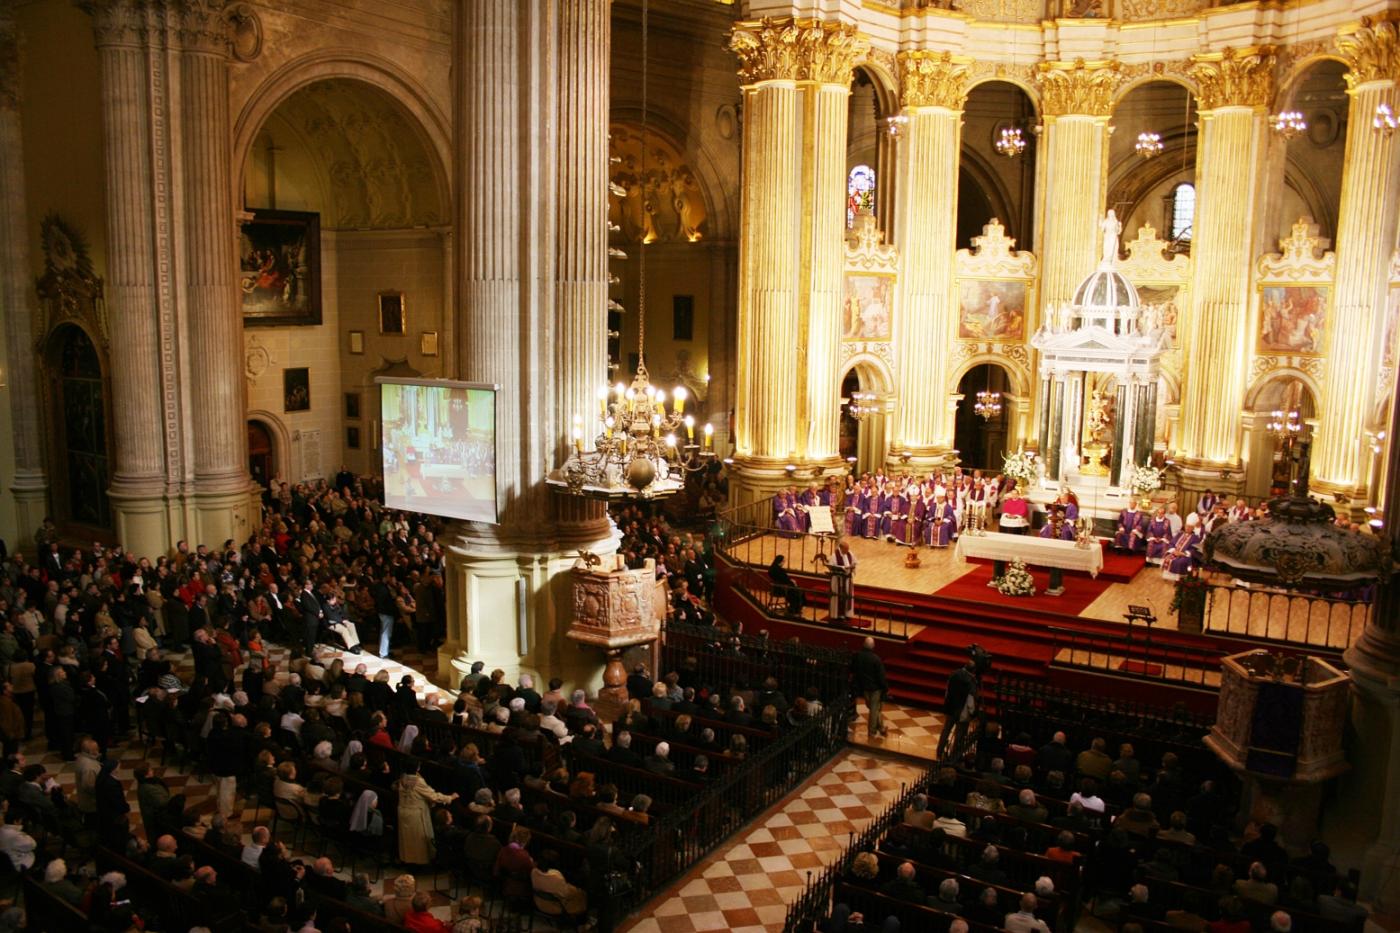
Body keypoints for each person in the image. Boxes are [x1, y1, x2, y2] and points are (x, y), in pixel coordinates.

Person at [395, 761, 457, 865]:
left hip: (403, 811)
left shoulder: (402, 778)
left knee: (407, 840)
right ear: (417, 768)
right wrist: (450, 797)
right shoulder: (417, 781)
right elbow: (433, 796)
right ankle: (418, 864)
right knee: (418, 842)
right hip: (415, 814)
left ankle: (408, 861)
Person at [938, 658, 978, 758]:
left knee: (946, 730)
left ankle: (939, 751)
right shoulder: (971, 681)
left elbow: (947, 690)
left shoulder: (954, 673)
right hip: (962, 712)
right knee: (959, 735)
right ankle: (954, 755)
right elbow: (970, 700)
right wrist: (973, 713)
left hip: (950, 707)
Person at [851, 636, 887, 738]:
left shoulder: (858, 656)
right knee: (874, 710)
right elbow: (881, 676)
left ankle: (882, 728)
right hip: (875, 689)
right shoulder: (876, 659)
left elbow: (854, 669)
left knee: (873, 708)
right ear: (873, 646)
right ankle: (872, 732)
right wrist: (885, 688)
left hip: (864, 687)